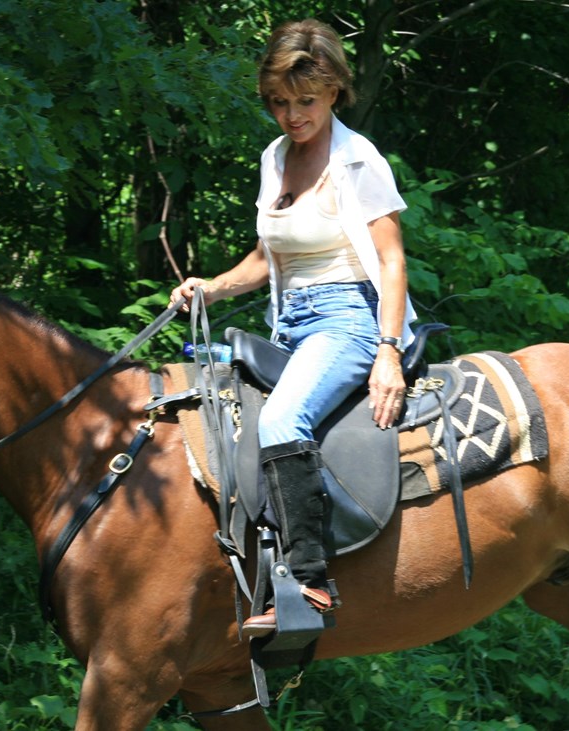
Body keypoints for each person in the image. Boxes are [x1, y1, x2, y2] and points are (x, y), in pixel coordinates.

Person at [170, 18, 416, 638]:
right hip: (289, 325)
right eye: (279, 102)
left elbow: (391, 258)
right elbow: (265, 258)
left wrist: (388, 350)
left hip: (350, 319)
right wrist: (210, 286)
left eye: (305, 100)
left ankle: (309, 584)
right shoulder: (274, 158)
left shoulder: (358, 160)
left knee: (282, 421)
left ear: (333, 90)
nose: (291, 115)